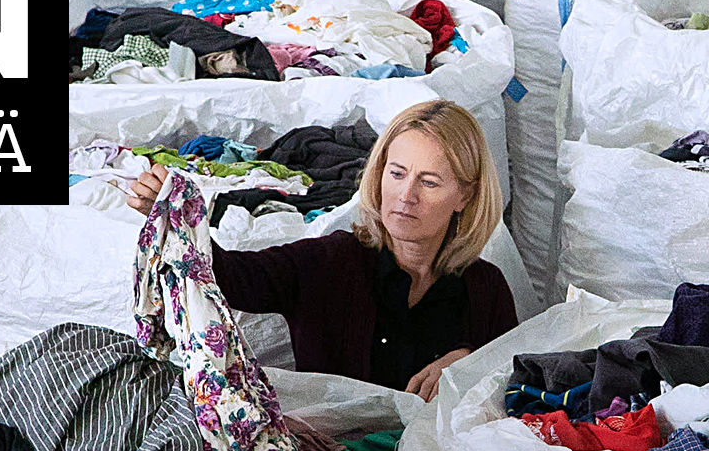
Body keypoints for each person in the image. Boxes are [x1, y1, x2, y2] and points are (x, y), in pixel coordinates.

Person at [126, 100, 515, 401]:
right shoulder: (330, 262)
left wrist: (470, 363)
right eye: (397, 174)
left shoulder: (486, 288)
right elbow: (230, 276)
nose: (405, 195)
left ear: (465, 195)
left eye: (429, 182)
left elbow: (515, 381)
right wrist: (175, 216)